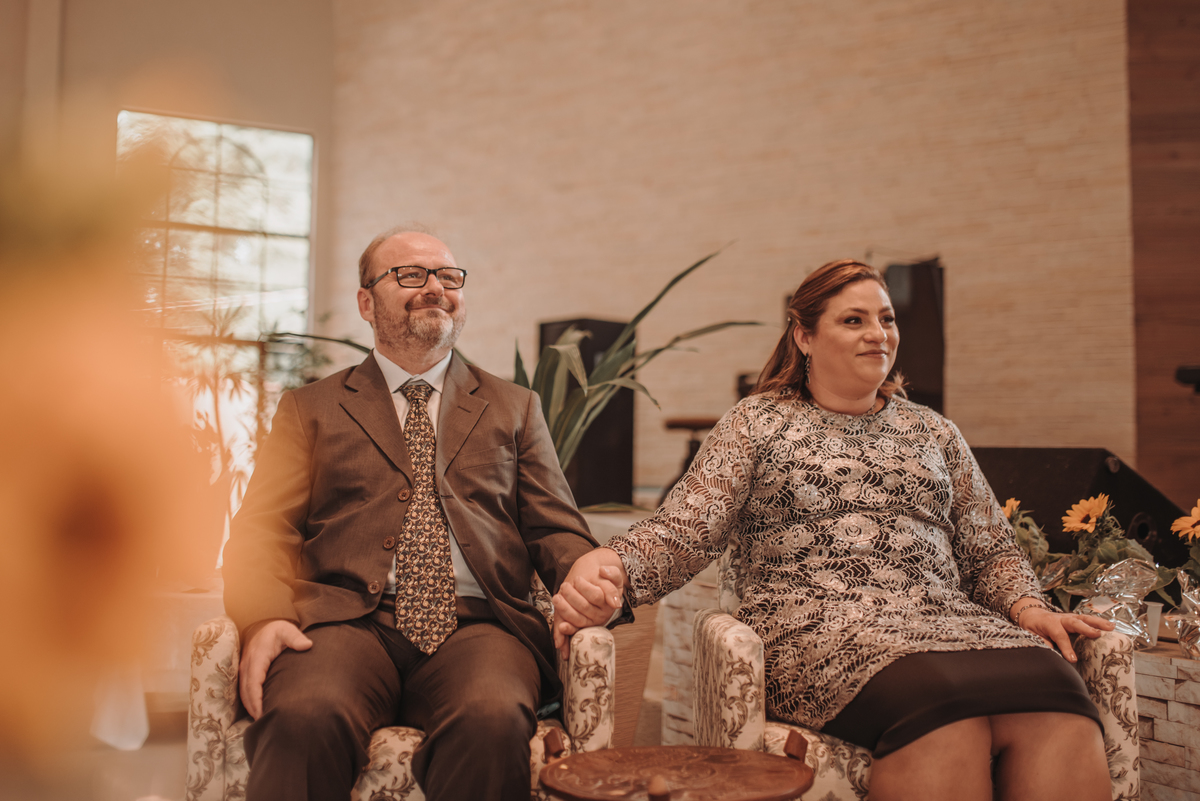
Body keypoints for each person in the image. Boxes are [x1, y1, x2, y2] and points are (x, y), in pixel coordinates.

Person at [554, 259, 1115, 801]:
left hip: (946, 620)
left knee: (1059, 697)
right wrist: (611, 567)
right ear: (804, 336)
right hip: (816, 624)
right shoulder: (757, 422)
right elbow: (683, 531)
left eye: (886, 319)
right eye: (854, 320)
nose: (878, 334)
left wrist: (1028, 607)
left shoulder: (935, 431)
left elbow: (990, 549)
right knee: (942, 713)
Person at [222, 227, 602, 801]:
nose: (435, 288)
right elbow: (261, 532)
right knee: (303, 714)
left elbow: (555, 527)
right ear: (366, 302)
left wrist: (585, 576)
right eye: (410, 275)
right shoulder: (310, 408)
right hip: (343, 624)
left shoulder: (515, 406)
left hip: (480, 626)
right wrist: (264, 618)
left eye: (448, 276)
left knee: (491, 719)